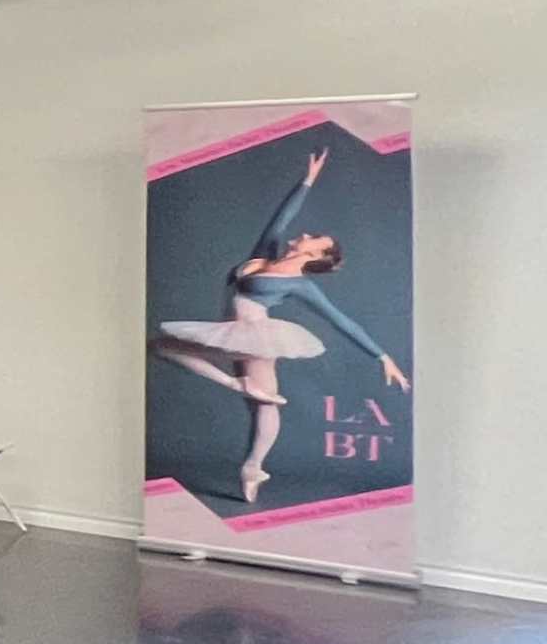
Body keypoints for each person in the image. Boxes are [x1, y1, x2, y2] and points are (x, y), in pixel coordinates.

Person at [154, 150, 408, 507]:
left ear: (315, 257)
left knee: (166, 349)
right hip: (231, 330)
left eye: (314, 238)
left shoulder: (301, 286)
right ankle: (252, 466)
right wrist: (307, 180)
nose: (305, 233)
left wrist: (383, 357)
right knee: (259, 402)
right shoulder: (267, 253)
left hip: (255, 335)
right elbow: (281, 218)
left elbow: (341, 321)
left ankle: (253, 462)